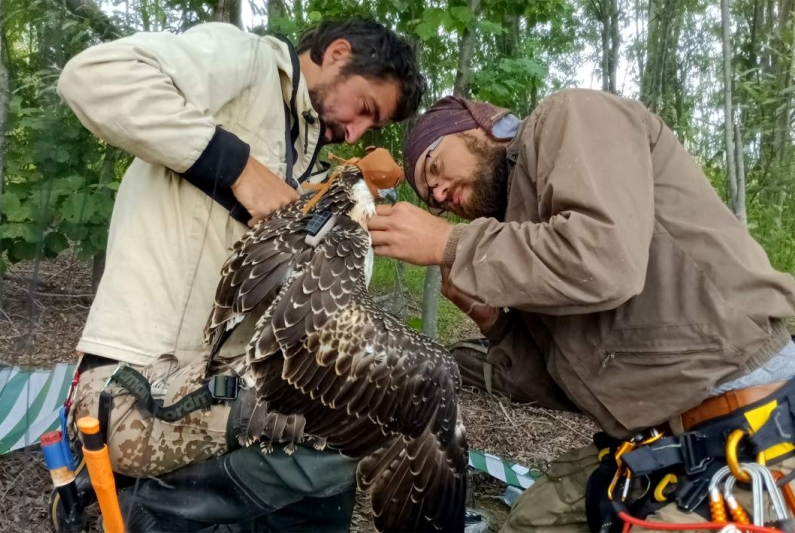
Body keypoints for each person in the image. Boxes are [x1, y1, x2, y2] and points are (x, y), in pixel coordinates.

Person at [52, 19, 424, 532]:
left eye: (370, 128)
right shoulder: (247, 63)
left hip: (222, 386)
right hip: (134, 390)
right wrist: (241, 170)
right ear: (338, 54)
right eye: (364, 109)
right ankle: (147, 509)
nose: (356, 132)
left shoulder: (312, 169)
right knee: (351, 420)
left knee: (368, 420)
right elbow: (93, 76)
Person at [368, 90, 795, 531]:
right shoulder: (525, 240)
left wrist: (448, 242)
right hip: (649, 440)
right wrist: (494, 323)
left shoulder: (569, 117)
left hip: (745, 414)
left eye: (435, 167)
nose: (439, 192)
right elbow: (576, 392)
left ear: (480, 124)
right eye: (432, 201)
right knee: (531, 522)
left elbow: (607, 261)